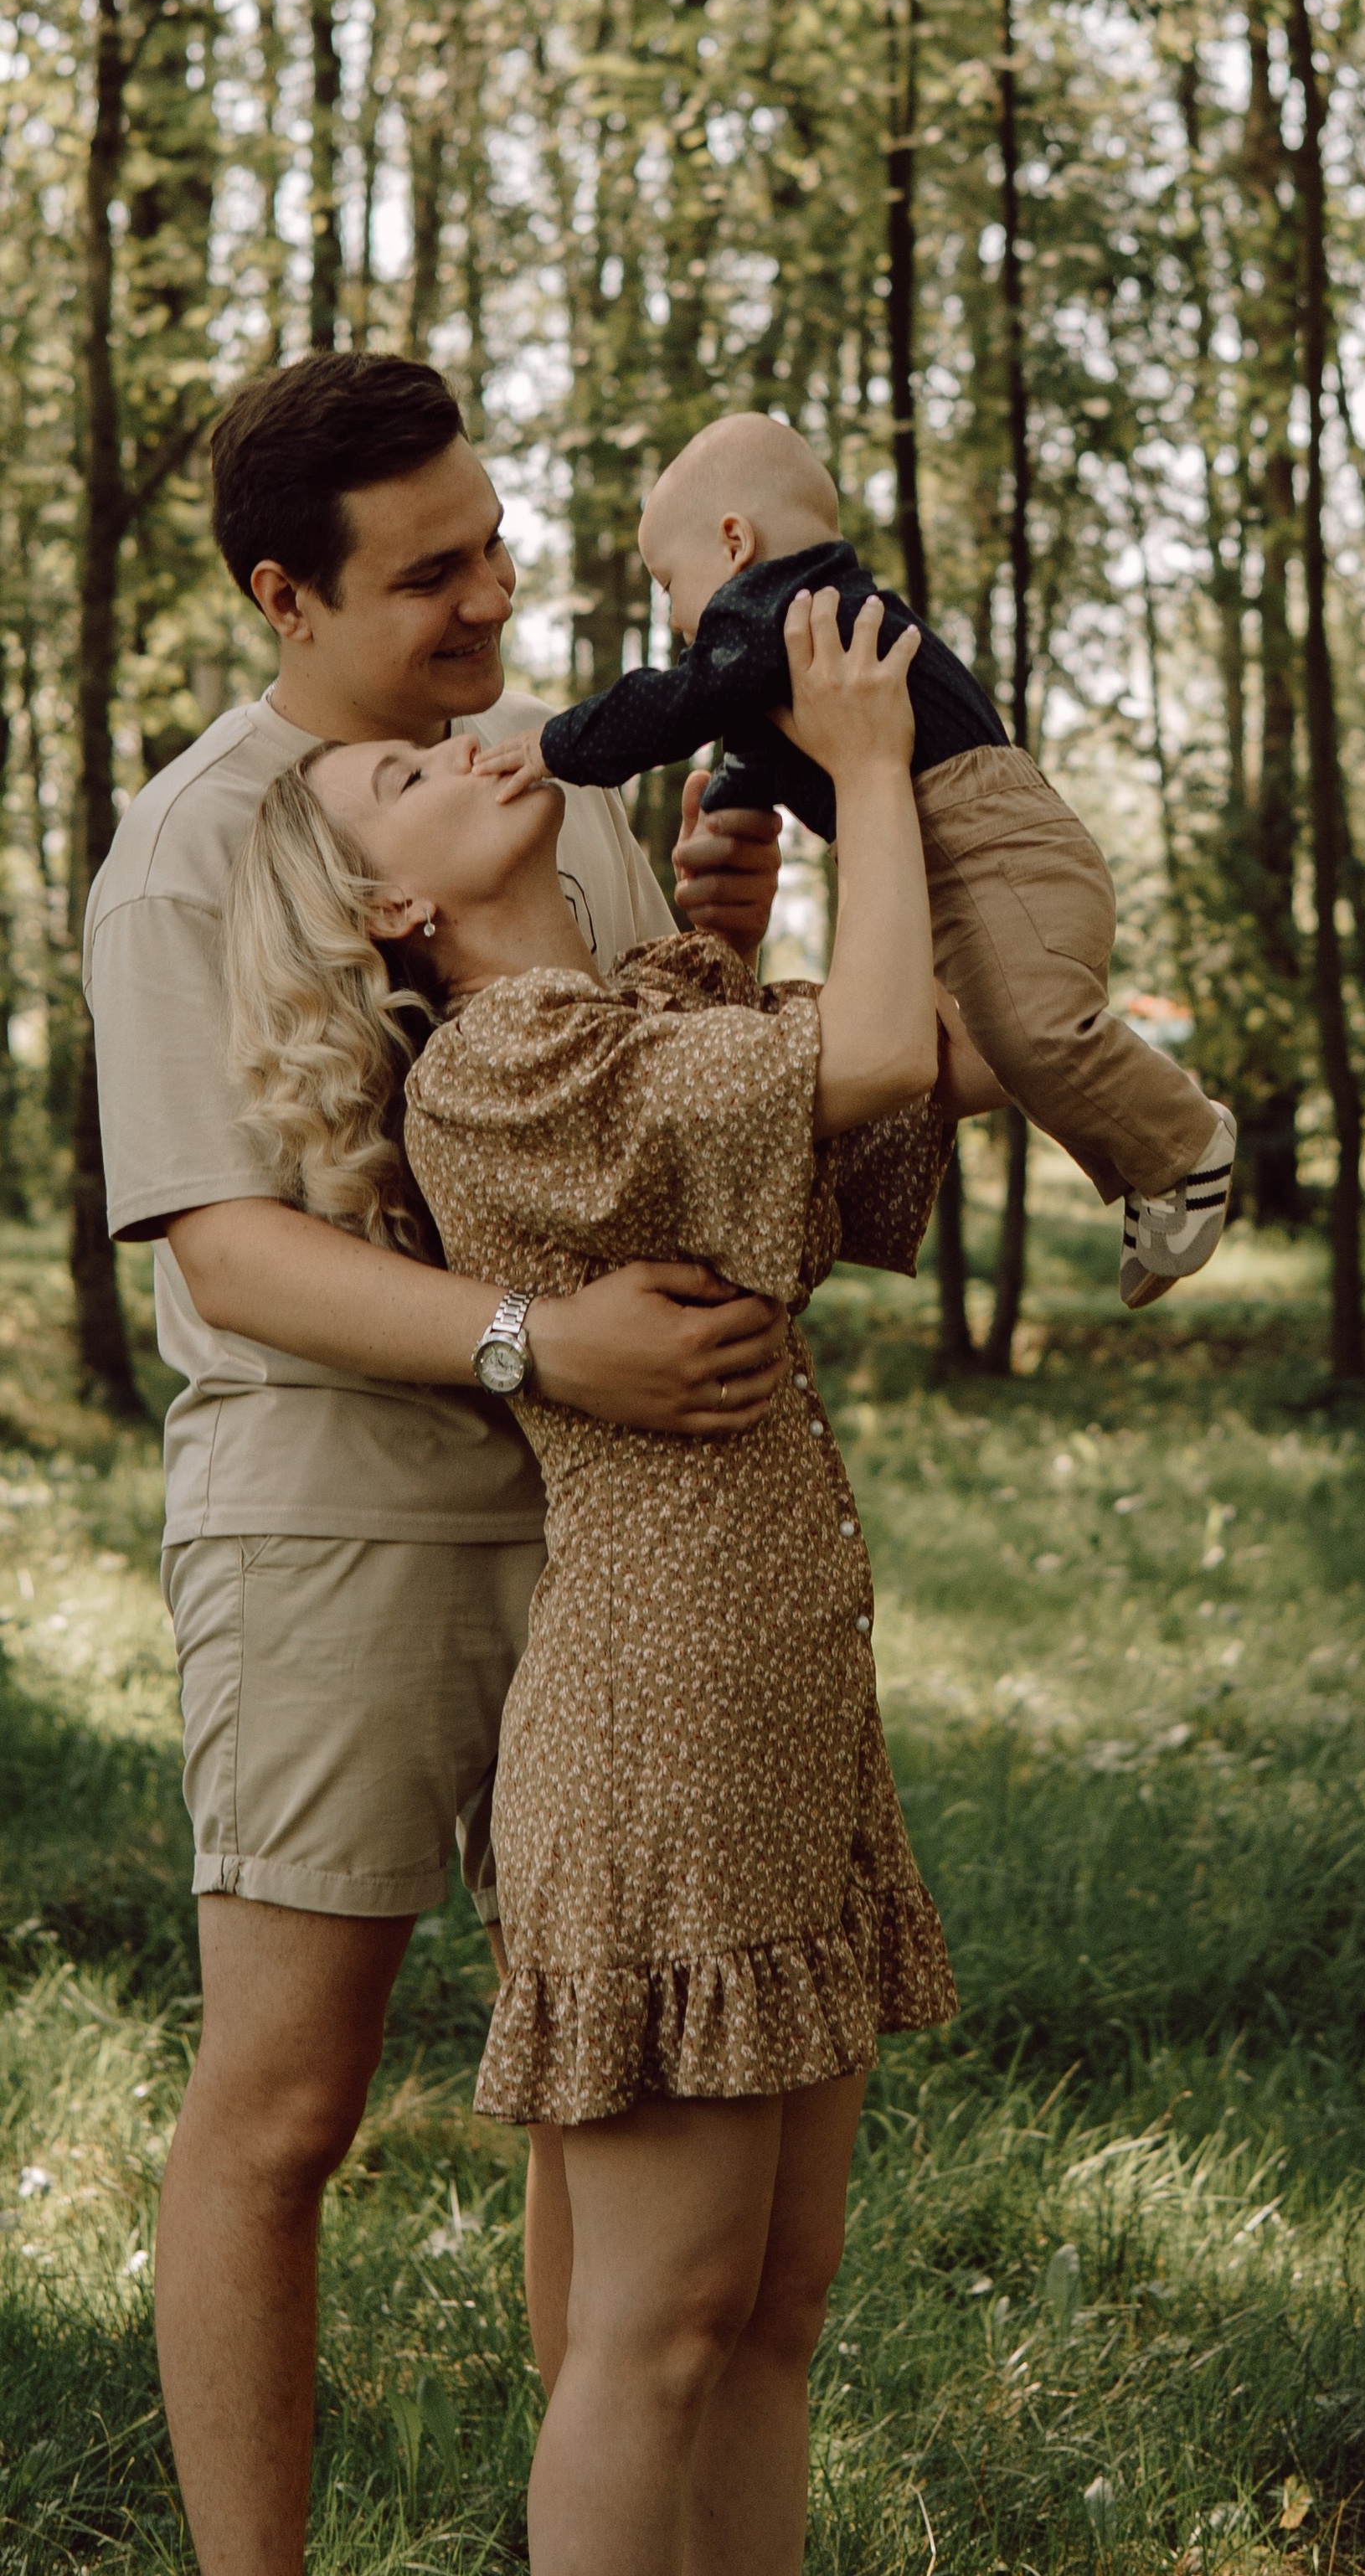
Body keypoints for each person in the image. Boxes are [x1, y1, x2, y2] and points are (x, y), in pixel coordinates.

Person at [79, 351, 790, 2576]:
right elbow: (233, 1248)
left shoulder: (538, 782)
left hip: (613, 1522)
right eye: (430, 573)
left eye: (495, 544)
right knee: (288, 2109)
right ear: (285, 594)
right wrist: (527, 1341)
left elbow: (606, 1090)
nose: (492, 600)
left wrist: (726, 952)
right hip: (332, 1523)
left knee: (610, 2076)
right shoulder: (192, 850)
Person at [226, 583, 1012, 2576]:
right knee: (651, 2333)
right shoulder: (494, 1068)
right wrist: (860, 765)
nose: (482, 738)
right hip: (655, 1747)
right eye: (410, 772)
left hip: (779, 1720)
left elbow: (926, 1075)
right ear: (393, 907)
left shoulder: (651, 1002)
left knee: (769, 2317)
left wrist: (769, 914)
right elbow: (866, 1062)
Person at [477, 410, 1238, 1306]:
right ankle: (1153, 1174)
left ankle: (1187, 1149)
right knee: (1008, 1040)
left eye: (667, 583)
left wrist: (562, 745)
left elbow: (683, 700)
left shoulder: (796, 609)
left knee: (1035, 1031)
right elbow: (754, 754)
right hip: (971, 864)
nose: (675, 617)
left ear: (734, 545)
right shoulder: (804, 645)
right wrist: (728, 811)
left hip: (999, 851)